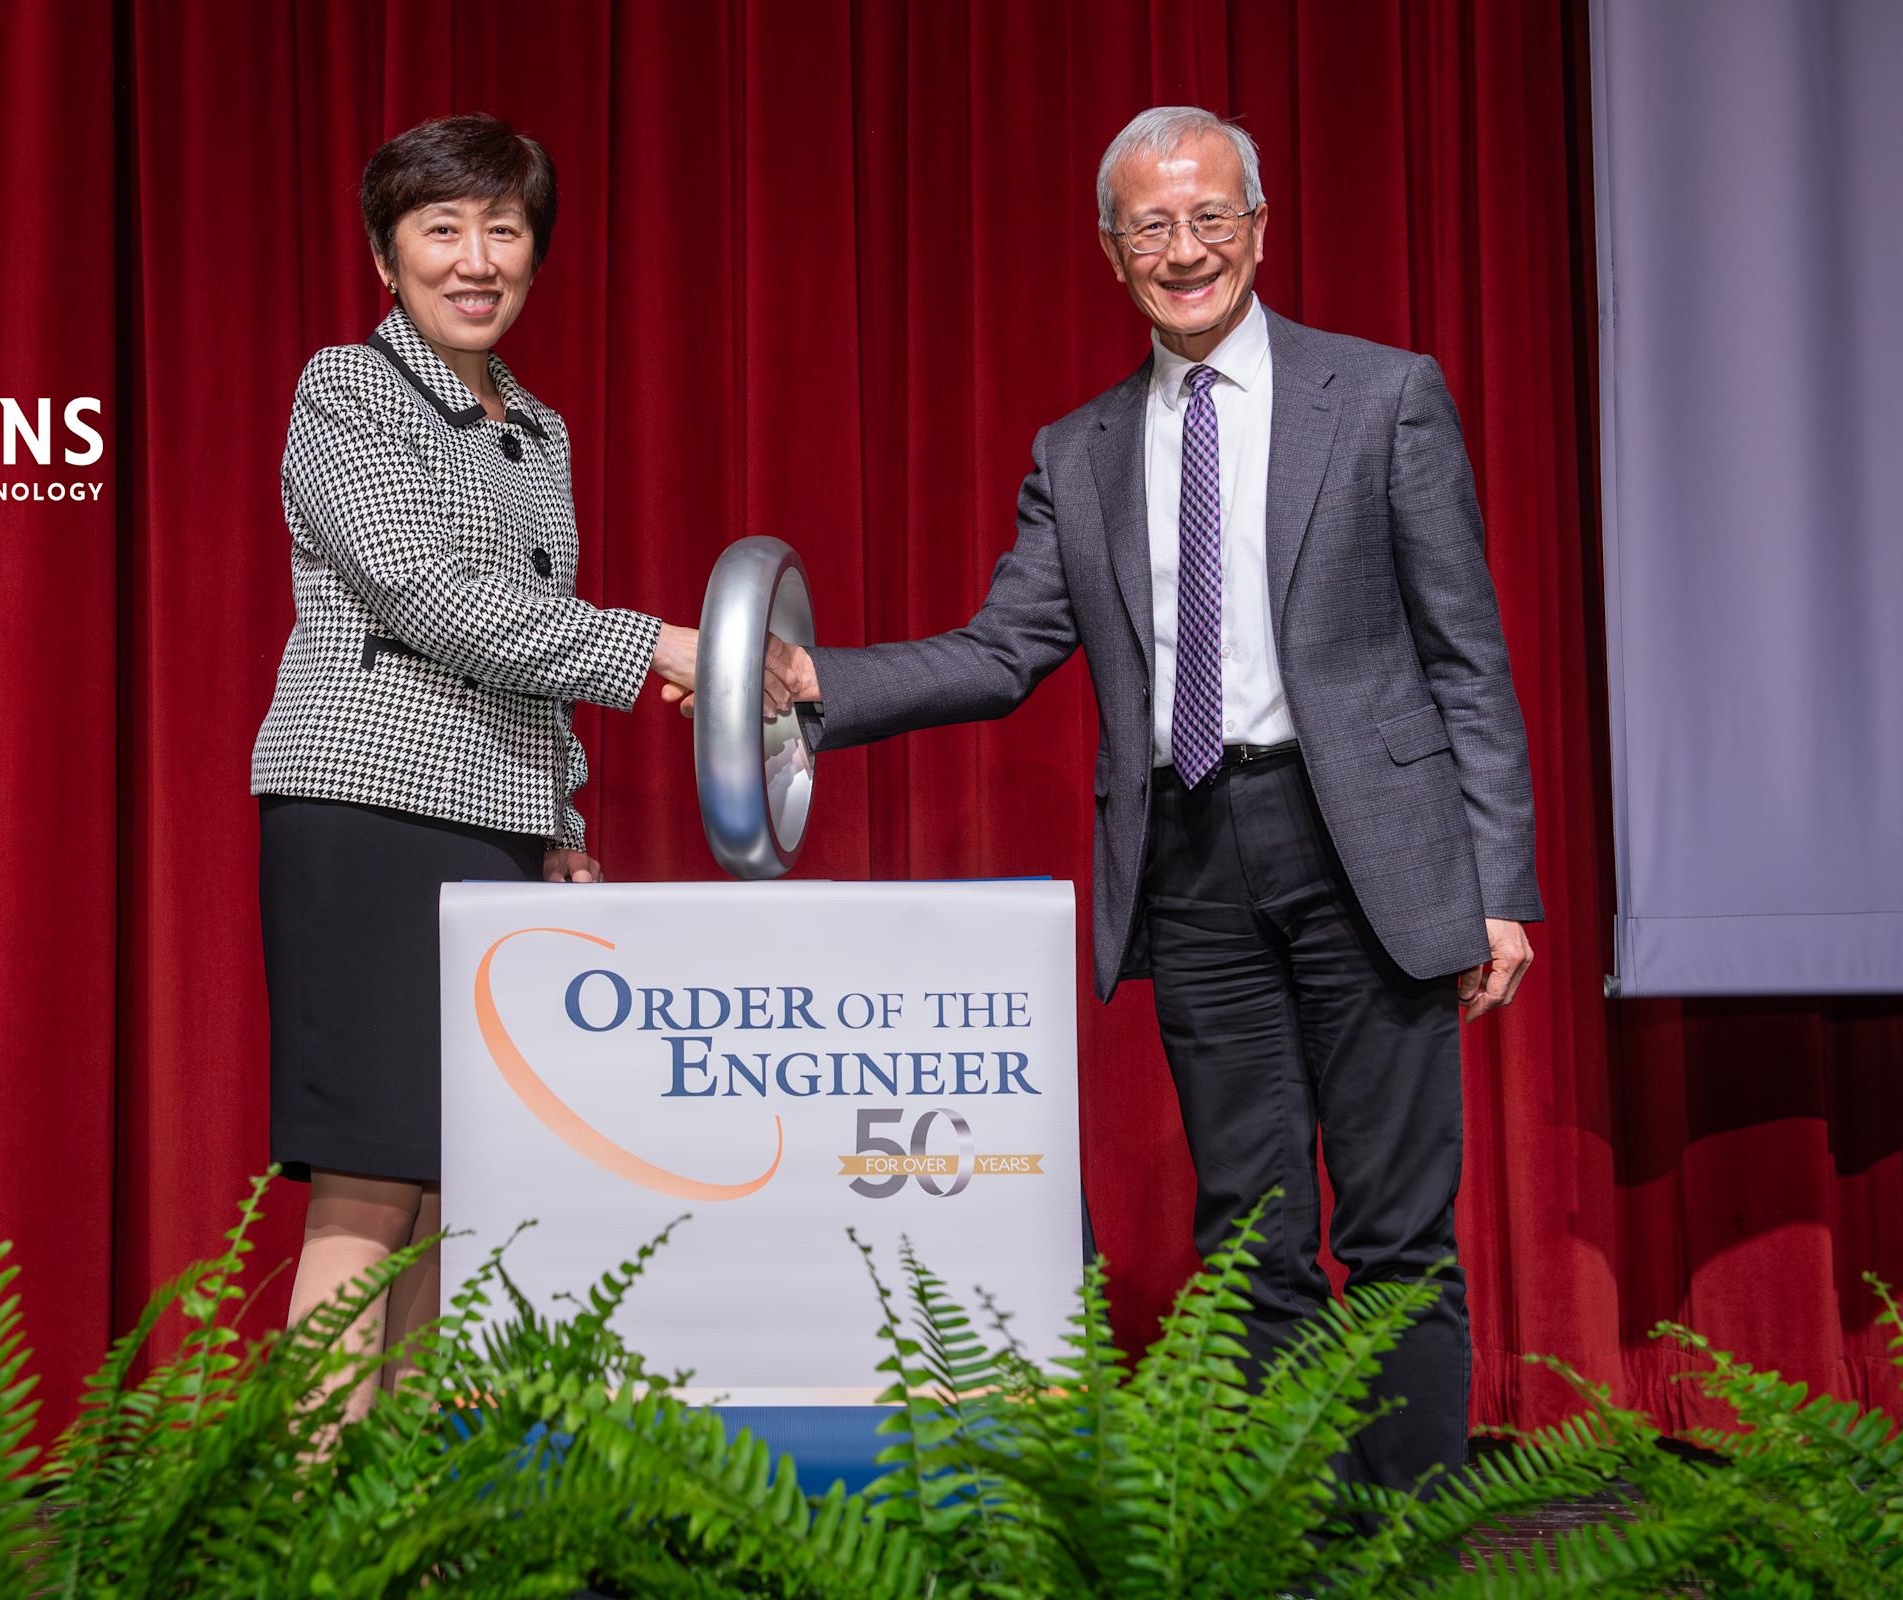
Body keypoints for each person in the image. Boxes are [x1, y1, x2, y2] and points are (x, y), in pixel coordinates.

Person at [730, 106, 1543, 1493]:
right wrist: (813, 685)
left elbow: (1468, 652)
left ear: (1260, 232)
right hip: (1191, 853)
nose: (1186, 251)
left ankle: (1398, 1551)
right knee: (1252, 1228)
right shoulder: (1079, 451)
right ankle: (1288, 1543)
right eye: (1153, 226)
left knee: (1400, 1229)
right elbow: (1000, 654)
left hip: (1375, 854)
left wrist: (1499, 885)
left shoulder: (1386, 395)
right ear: (1112, 253)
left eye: (1211, 219)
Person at [251, 114, 708, 1424]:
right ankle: (307, 1523)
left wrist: (557, 816)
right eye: (441, 228)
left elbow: (520, 626)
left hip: (496, 832)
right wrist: (655, 644)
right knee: (368, 1176)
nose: (475, 257)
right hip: (367, 812)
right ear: (386, 254)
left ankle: (405, 1513)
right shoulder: (346, 390)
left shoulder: (538, 427)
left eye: (502, 229)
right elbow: (432, 599)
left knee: (455, 1180)